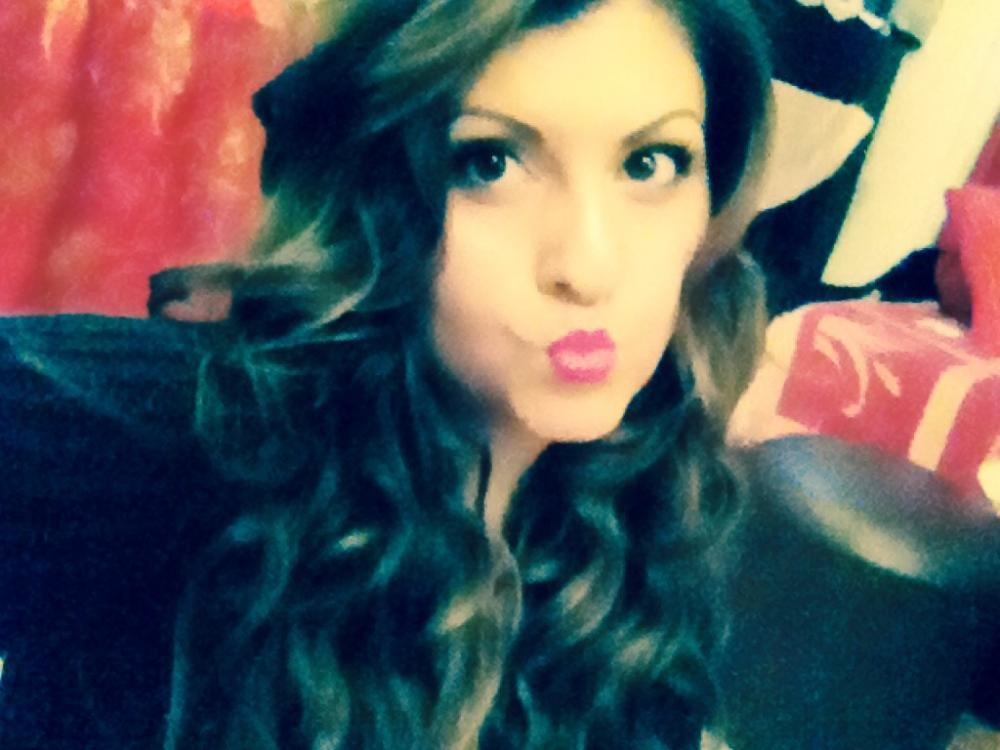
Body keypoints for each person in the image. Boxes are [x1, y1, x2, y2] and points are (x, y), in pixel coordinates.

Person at [0, 0, 772, 747]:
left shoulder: (653, 512)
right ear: (378, 191)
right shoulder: (191, 439)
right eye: (489, 163)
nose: (588, 267)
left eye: (650, 164)